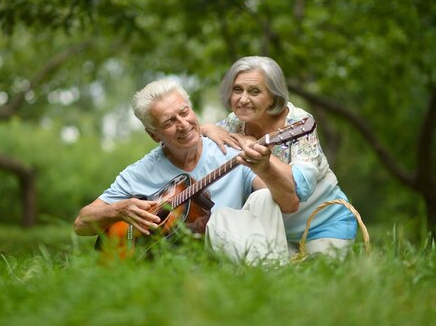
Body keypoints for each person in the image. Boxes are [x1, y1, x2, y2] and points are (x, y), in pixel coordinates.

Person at [74, 78, 299, 264]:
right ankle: (280, 273)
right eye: (169, 121)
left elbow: (289, 203)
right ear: (154, 135)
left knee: (261, 198)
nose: (183, 124)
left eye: (184, 112)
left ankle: (276, 274)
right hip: (176, 265)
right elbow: (81, 224)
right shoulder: (139, 173)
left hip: (236, 253)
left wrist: (266, 167)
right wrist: (119, 209)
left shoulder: (229, 152)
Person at [201, 56, 358, 258]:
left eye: (254, 91)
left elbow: (300, 188)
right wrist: (207, 129)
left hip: (323, 225)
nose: (243, 99)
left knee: (316, 281)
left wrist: (253, 147)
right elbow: (191, 139)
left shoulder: (299, 122)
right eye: (237, 89)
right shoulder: (236, 122)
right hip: (275, 229)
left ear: (273, 97)